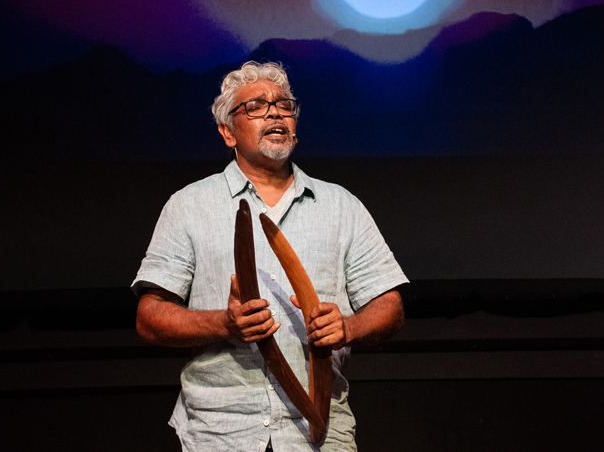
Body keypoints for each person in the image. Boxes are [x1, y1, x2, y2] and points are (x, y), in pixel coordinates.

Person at [132, 61, 408, 451]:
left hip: (319, 433)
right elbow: (149, 317)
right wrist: (224, 323)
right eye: (256, 106)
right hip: (220, 432)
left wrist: (349, 327)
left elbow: (390, 307)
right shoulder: (188, 205)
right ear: (227, 132)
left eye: (284, 104)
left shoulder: (341, 205)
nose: (276, 112)